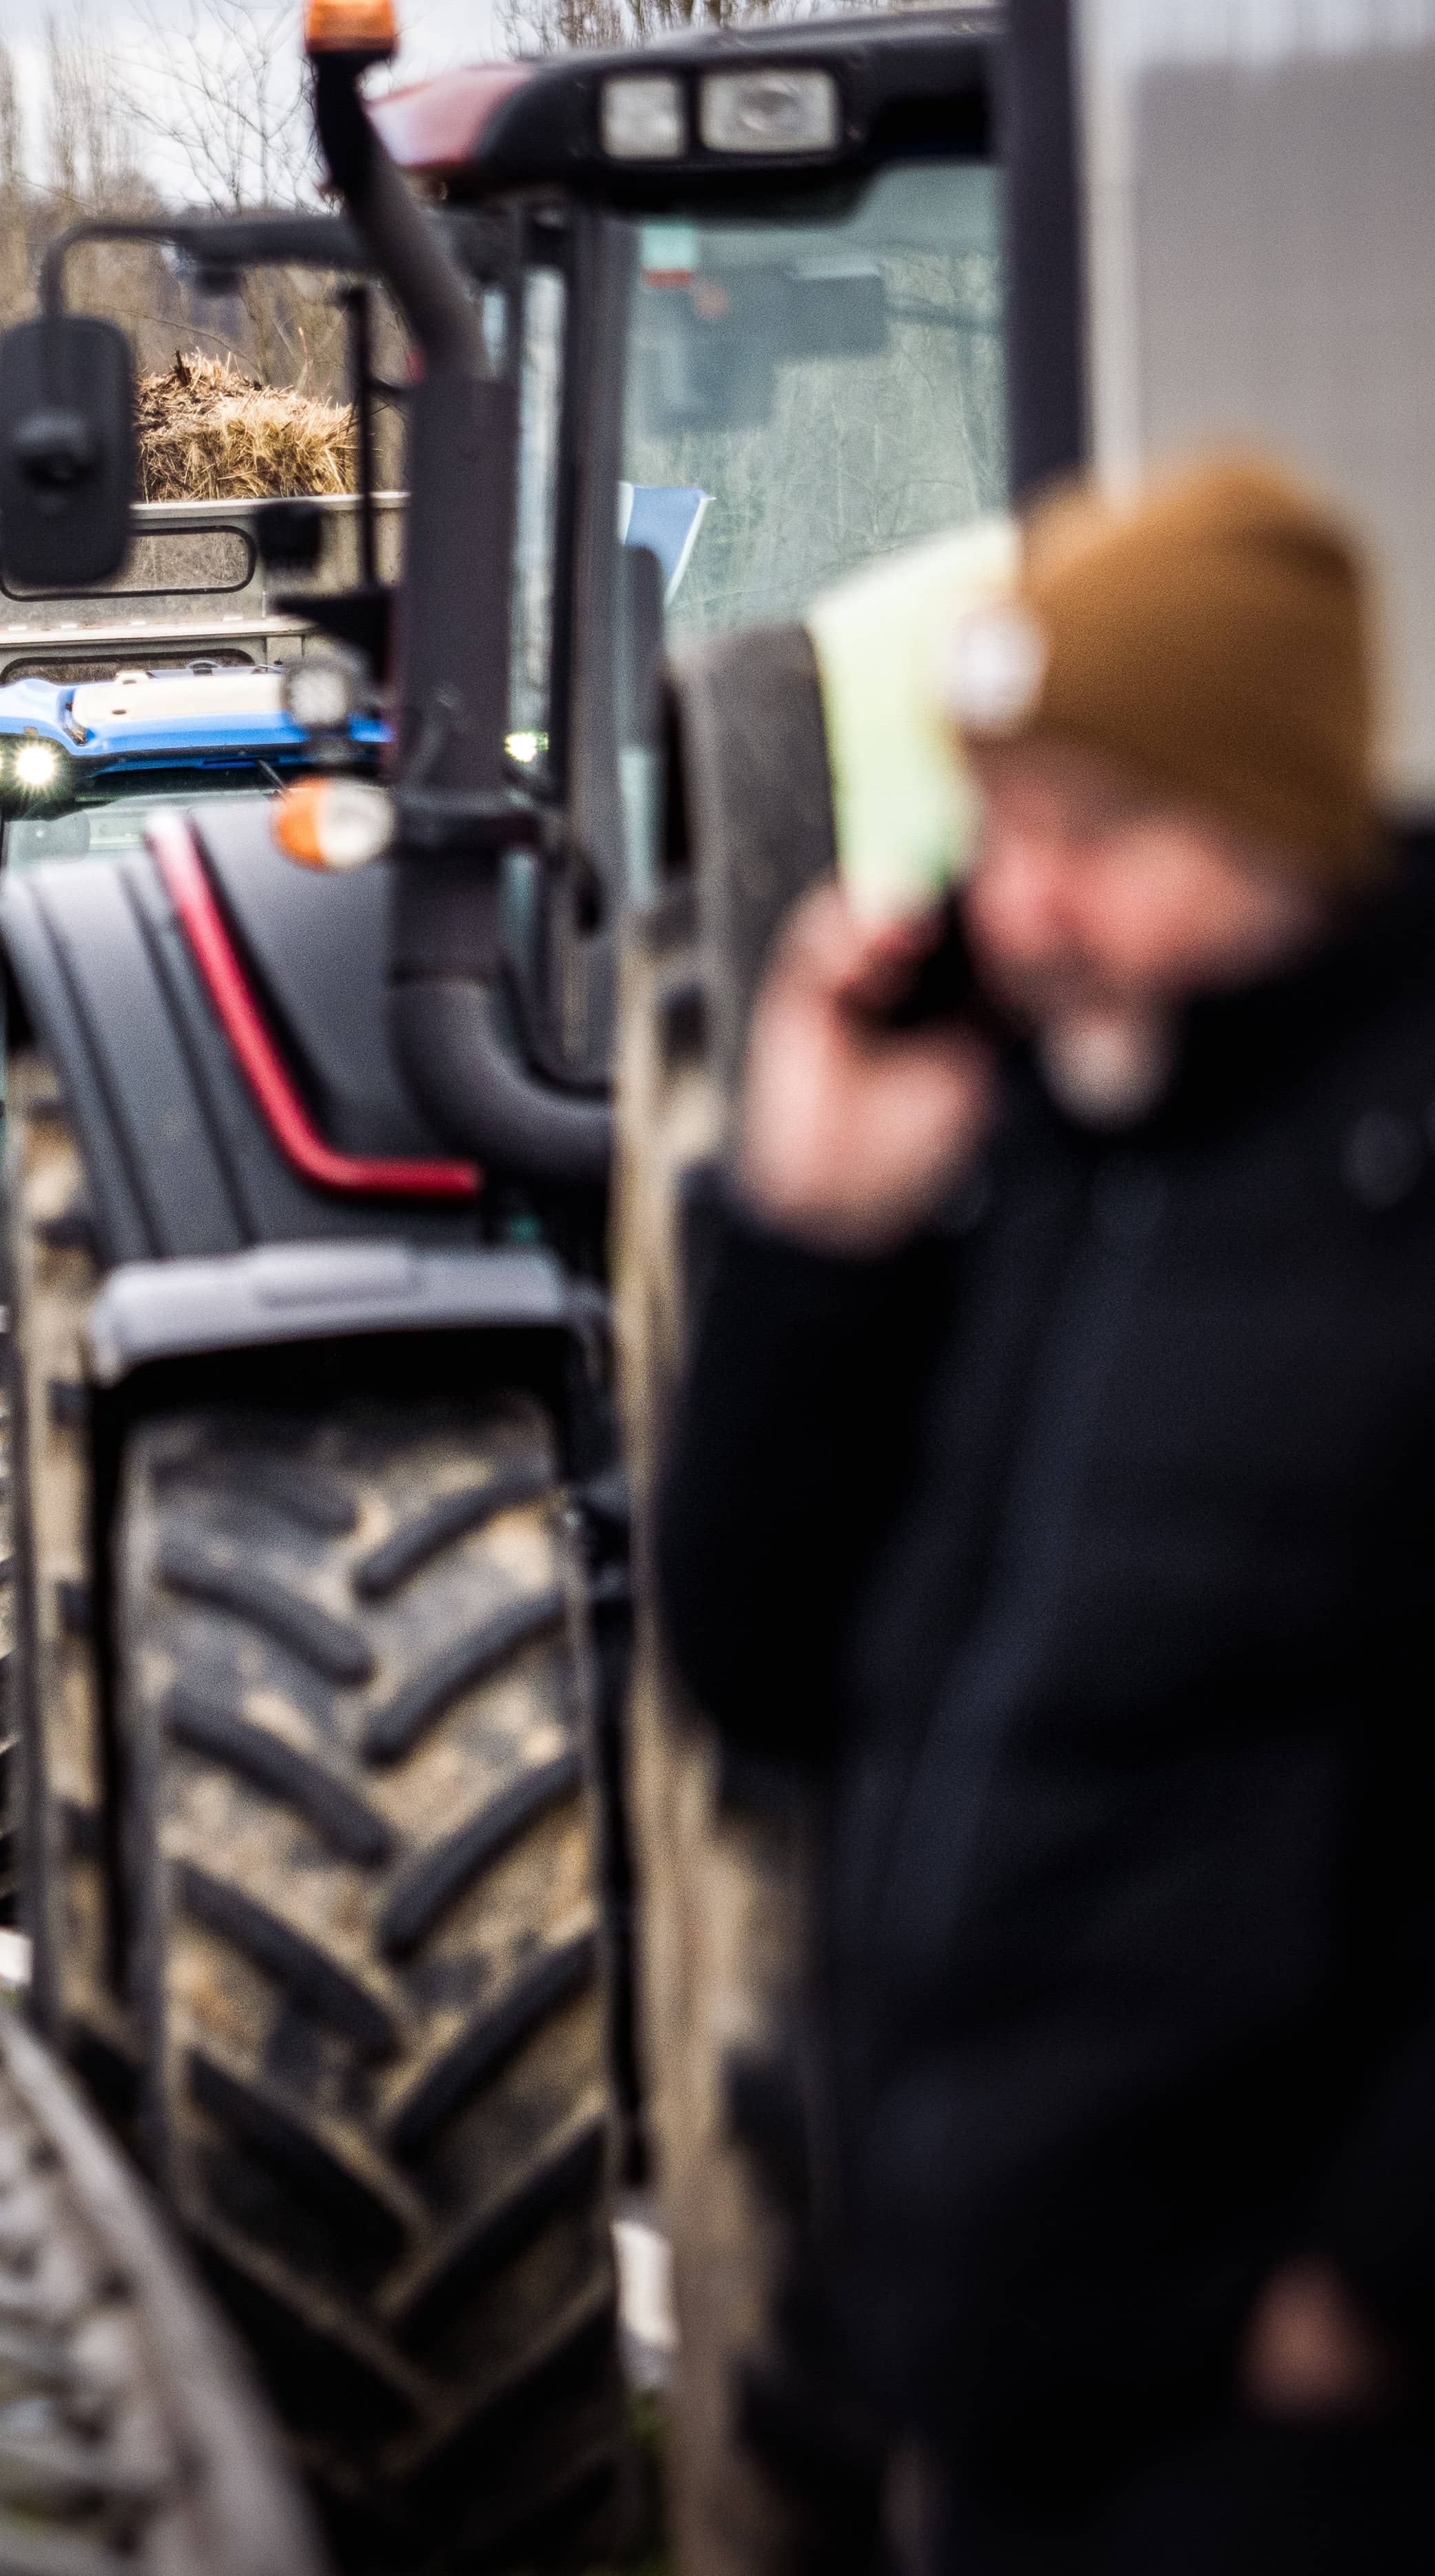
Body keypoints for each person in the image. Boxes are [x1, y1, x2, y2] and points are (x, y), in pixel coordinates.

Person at [656, 455, 1434, 2572]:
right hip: (1000, 2416)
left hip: (1295, 2452)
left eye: (1096, 839)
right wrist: (814, 1242)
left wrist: (1362, 2299)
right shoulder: (1042, 1170)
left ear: (1276, 819)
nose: (1021, 911)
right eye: (1000, 829)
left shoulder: (1385, 1196)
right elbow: (760, 1667)